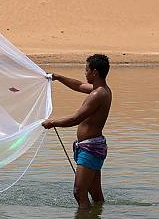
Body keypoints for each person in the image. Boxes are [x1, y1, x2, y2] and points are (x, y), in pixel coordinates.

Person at [42, 54, 112, 209]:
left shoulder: (97, 94)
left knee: (79, 192)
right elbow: (79, 85)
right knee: (96, 194)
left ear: (94, 72)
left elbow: (76, 119)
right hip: (93, 146)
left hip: (90, 149)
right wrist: (58, 77)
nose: (84, 73)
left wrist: (52, 122)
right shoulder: (100, 90)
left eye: (86, 70)